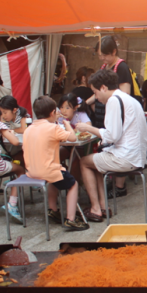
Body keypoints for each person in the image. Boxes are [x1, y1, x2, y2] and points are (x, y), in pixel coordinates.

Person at [76, 70, 147, 222]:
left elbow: (111, 135)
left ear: (103, 88)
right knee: (95, 161)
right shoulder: (128, 98)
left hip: (126, 158)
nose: (96, 97)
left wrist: (88, 128)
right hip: (138, 156)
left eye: (95, 92)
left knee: (84, 162)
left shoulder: (113, 100)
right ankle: (102, 206)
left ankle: (96, 208)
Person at [23, 96, 89, 231]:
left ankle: (52, 209)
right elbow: (72, 137)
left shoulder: (28, 129)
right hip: (48, 170)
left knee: (54, 179)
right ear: (53, 112)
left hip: (31, 171)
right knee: (73, 184)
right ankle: (71, 219)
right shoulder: (53, 128)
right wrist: (66, 123)